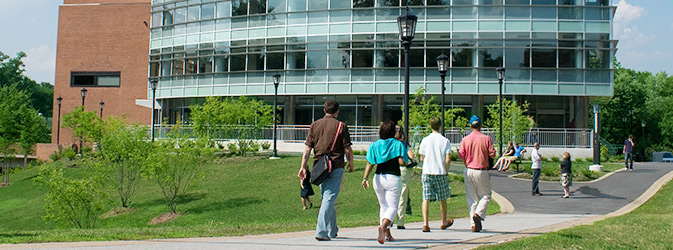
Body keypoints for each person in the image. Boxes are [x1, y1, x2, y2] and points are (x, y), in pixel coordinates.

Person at [297, 100, 354, 241]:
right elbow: (347, 148)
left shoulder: (314, 125)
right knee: (329, 198)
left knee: (327, 198)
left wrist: (303, 166)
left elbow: (307, 148)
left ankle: (332, 230)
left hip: (320, 167)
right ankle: (321, 231)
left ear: (324, 110)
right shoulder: (341, 126)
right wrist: (351, 163)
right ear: (337, 111)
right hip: (335, 165)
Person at [361, 120, 409, 244]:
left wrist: (365, 178)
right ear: (393, 132)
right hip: (392, 178)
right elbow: (402, 162)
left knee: (383, 206)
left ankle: (387, 235)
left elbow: (370, 162)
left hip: (378, 178)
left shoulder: (374, 145)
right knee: (393, 207)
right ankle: (383, 227)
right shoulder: (397, 144)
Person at [459, 115, 496, 232]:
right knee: (486, 195)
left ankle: (473, 224)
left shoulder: (465, 139)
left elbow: (461, 155)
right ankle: (478, 215)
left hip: (468, 169)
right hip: (481, 170)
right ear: (480, 126)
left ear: (470, 126)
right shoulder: (486, 139)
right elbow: (493, 154)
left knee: (472, 199)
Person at [418, 117, 453, 232]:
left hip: (427, 171)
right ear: (440, 126)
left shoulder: (425, 140)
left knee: (426, 197)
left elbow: (422, 157)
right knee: (443, 198)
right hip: (440, 171)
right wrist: (446, 170)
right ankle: (443, 221)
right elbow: (448, 159)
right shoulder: (445, 141)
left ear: (430, 126)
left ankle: (425, 223)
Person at [394, 126, 415, 230]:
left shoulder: (390, 143)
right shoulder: (404, 143)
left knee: (391, 196)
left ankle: (387, 220)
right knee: (402, 196)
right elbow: (411, 155)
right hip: (403, 170)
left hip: (391, 170)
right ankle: (400, 221)